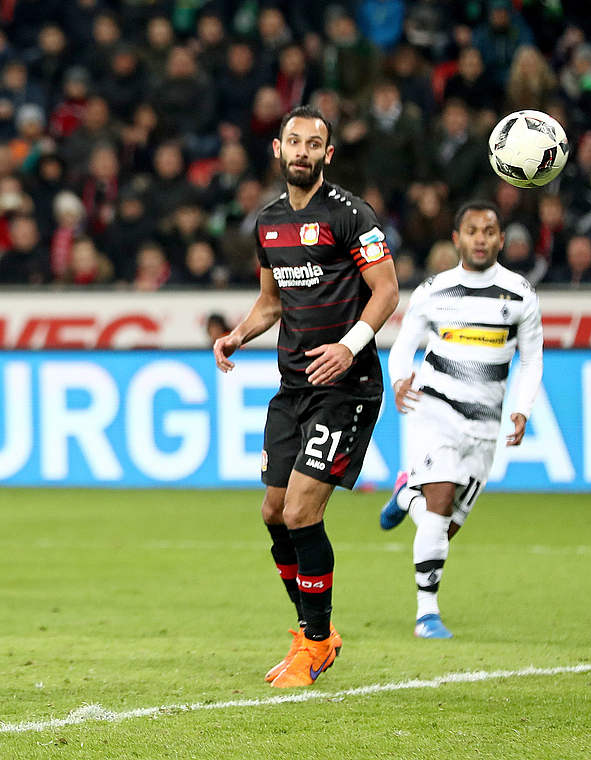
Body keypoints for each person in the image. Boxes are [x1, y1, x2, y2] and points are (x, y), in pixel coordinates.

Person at [212, 105, 399, 689]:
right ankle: (312, 629)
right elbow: (271, 301)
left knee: (300, 511)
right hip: (293, 386)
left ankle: (316, 644)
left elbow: (387, 290)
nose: (301, 151)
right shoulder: (267, 223)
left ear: (327, 155)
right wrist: (238, 334)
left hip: (346, 388)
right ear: (277, 148)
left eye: (312, 144)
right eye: (293, 141)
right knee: (273, 512)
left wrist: (349, 345)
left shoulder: (351, 216)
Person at [378, 201, 543, 639]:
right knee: (440, 501)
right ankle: (426, 614)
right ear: (457, 239)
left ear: (501, 239)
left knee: (446, 523)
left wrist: (522, 407)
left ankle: (404, 496)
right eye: (472, 230)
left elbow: (531, 361)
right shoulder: (434, 290)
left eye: (489, 230)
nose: (481, 238)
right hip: (435, 410)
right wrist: (398, 379)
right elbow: (403, 345)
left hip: (485, 422)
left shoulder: (520, 294)